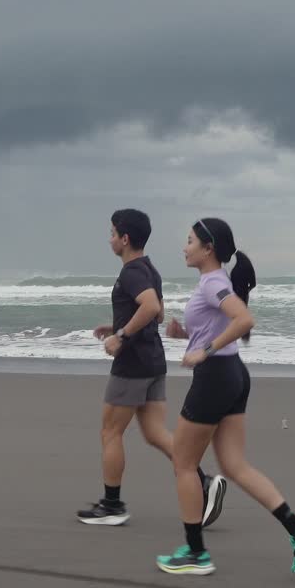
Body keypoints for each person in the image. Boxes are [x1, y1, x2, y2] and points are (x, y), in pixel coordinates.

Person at [154, 217, 295, 576]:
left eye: (189, 241)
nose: (184, 247)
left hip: (216, 377)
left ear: (208, 248)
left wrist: (205, 351)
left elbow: (244, 320)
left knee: (184, 464)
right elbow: (219, 324)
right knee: (234, 466)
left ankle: (196, 553)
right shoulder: (212, 282)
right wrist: (184, 334)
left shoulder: (213, 282)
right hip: (233, 375)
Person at [78, 209, 228, 527]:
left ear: (125, 238)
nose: (110, 239)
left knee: (110, 431)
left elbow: (150, 308)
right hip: (153, 361)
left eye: (112, 233)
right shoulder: (150, 270)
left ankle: (113, 505)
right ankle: (203, 482)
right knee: (155, 433)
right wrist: (116, 324)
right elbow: (156, 314)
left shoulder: (132, 272)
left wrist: (120, 335)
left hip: (132, 364)